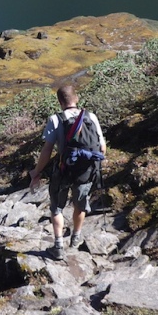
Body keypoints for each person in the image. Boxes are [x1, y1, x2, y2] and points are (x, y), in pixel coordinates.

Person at [29, 84, 106, 260]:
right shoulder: (91, 116)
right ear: (76, 98)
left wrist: (37, 171)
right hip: (85, 171)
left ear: (59, 102)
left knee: (57, 207)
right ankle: (76, 238)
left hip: (63, 170)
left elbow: (47, 150)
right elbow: (102, 147)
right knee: (80, 204)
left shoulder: (55, 120)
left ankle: (58, 247)